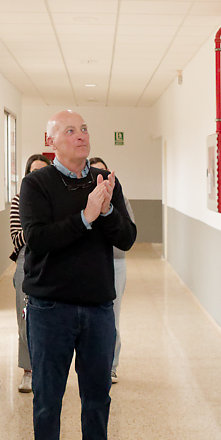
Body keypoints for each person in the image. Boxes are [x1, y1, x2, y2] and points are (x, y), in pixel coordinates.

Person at [21, 111, 136, 440]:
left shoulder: (104, 181)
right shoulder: (37, 183)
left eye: (85, 128)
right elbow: (36, 239)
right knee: (48, 400)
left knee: (97, 398)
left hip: (97, 308)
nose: (81, 135)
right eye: (70, 130)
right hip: (50, 308)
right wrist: (86, 217)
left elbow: (127, 238)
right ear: (51, 140)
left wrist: (105, 212)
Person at [88, 156, 135, 383]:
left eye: (104, 173)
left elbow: (128, 231)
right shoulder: (85, 199)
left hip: (115, 262)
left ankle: (111, 365)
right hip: (90, 263)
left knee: (111, 316)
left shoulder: (120, 198)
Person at [10, 153, 51, 393]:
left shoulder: (56, 198)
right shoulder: (18, 200)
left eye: (42, 171)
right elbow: (18, 237)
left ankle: (47, 371)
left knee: (50, 320)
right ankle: (28, 371)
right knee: (25, 319)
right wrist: (39, 227)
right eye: (32, 171)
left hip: (53, 261)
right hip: (27, 261)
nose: (37, 175)